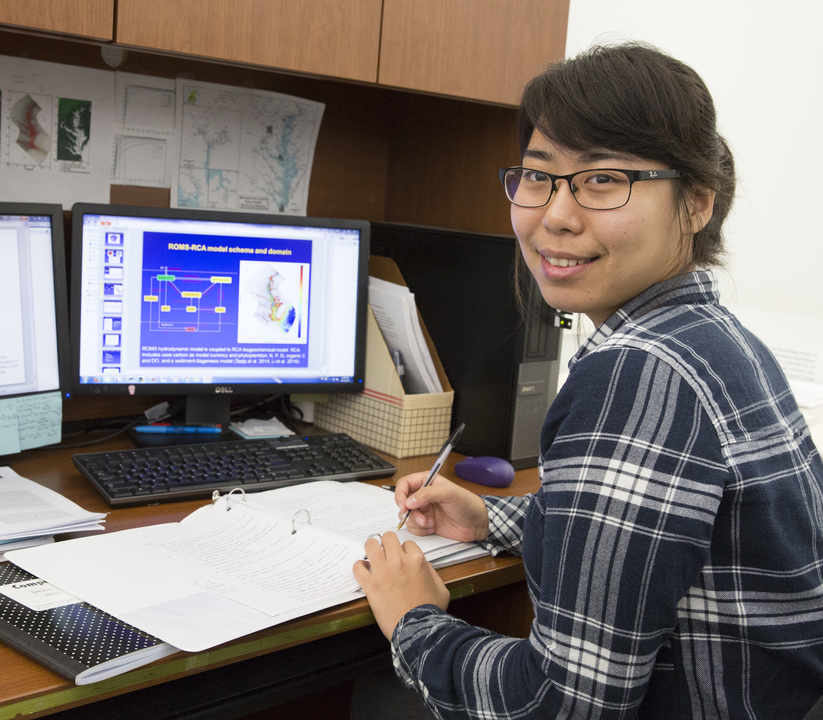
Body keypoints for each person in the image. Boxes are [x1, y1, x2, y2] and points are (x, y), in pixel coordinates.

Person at [352, 42, 823, 719]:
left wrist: (414, 620)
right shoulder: (714, 341)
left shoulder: (638, 375)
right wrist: (495, 516)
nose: (556, 216)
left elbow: (561, 704)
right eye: (538, 176)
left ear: (697, 204)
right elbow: (666, 535)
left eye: (604, 180)